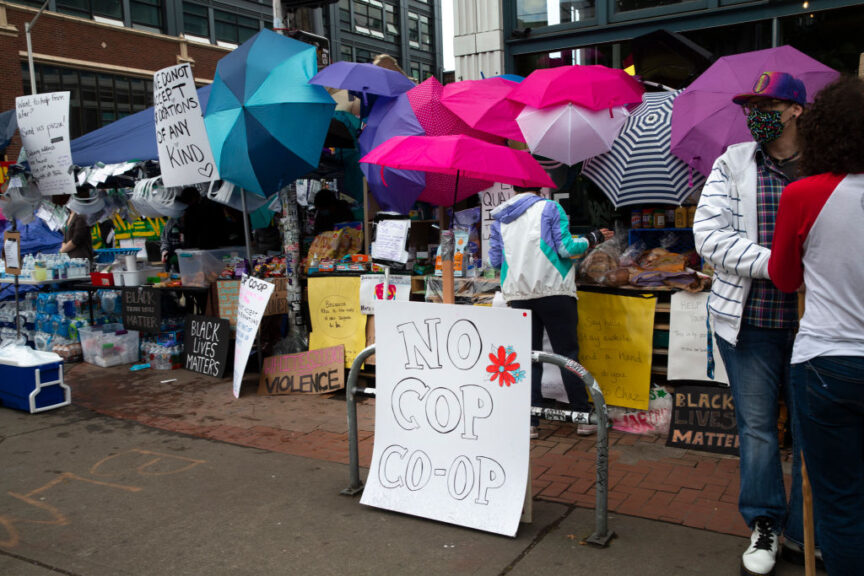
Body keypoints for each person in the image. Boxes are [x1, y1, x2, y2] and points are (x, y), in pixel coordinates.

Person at [693, 71, 811, 576]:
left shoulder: (831, 166)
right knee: (759, 430)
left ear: (796, 110)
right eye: (750, 105)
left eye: (768, 104)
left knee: (813, 432)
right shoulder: (734, 162)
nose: (755, 114)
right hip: (749, 325)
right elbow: (709, 236)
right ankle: (764, 523)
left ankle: (807, 532)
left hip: (818, 327)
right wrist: (779, 264)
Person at [768, 75, 864, 576]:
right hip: (834, 360)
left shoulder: (804, 194)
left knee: (841, 503)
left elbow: (785, 278)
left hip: (827, 362)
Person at [488, 186, 613, 439]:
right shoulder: (550, 208)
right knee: (567, 355)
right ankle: (581, 417)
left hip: (519, 295)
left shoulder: (500, 218)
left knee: (528, 356)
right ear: (539, 187)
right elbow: (567, 249)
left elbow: (496, 261)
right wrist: (593, 237)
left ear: (514, 188)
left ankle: (531, 422)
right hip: (554, 290)